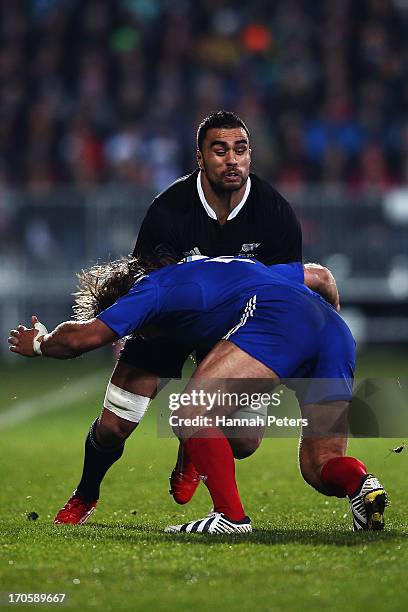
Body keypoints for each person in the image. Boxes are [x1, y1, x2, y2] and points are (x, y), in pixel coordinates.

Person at [48, 109, 310, 525]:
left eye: (240, 150)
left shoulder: (274, 213)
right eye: (220, 150)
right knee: (114, 426)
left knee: (244, 441)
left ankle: (192, 443)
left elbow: (289, 295)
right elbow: (146, 285)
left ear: (250, 156)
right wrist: (124, 329)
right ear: (200, 158)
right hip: (169, 325)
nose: (232, 160)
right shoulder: (169, 208)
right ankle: (85, 495)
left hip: (236, 328)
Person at [8, 255, 387, 534]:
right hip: (335, 333)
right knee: (320, 467)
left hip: (279, 318)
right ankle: (360, 484)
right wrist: (323, 332)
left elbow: (84, 337)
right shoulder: (221, 267)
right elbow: (320, 276)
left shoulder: (149, 291)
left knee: (191, 413)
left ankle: (231, 519)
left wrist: (40, 343)